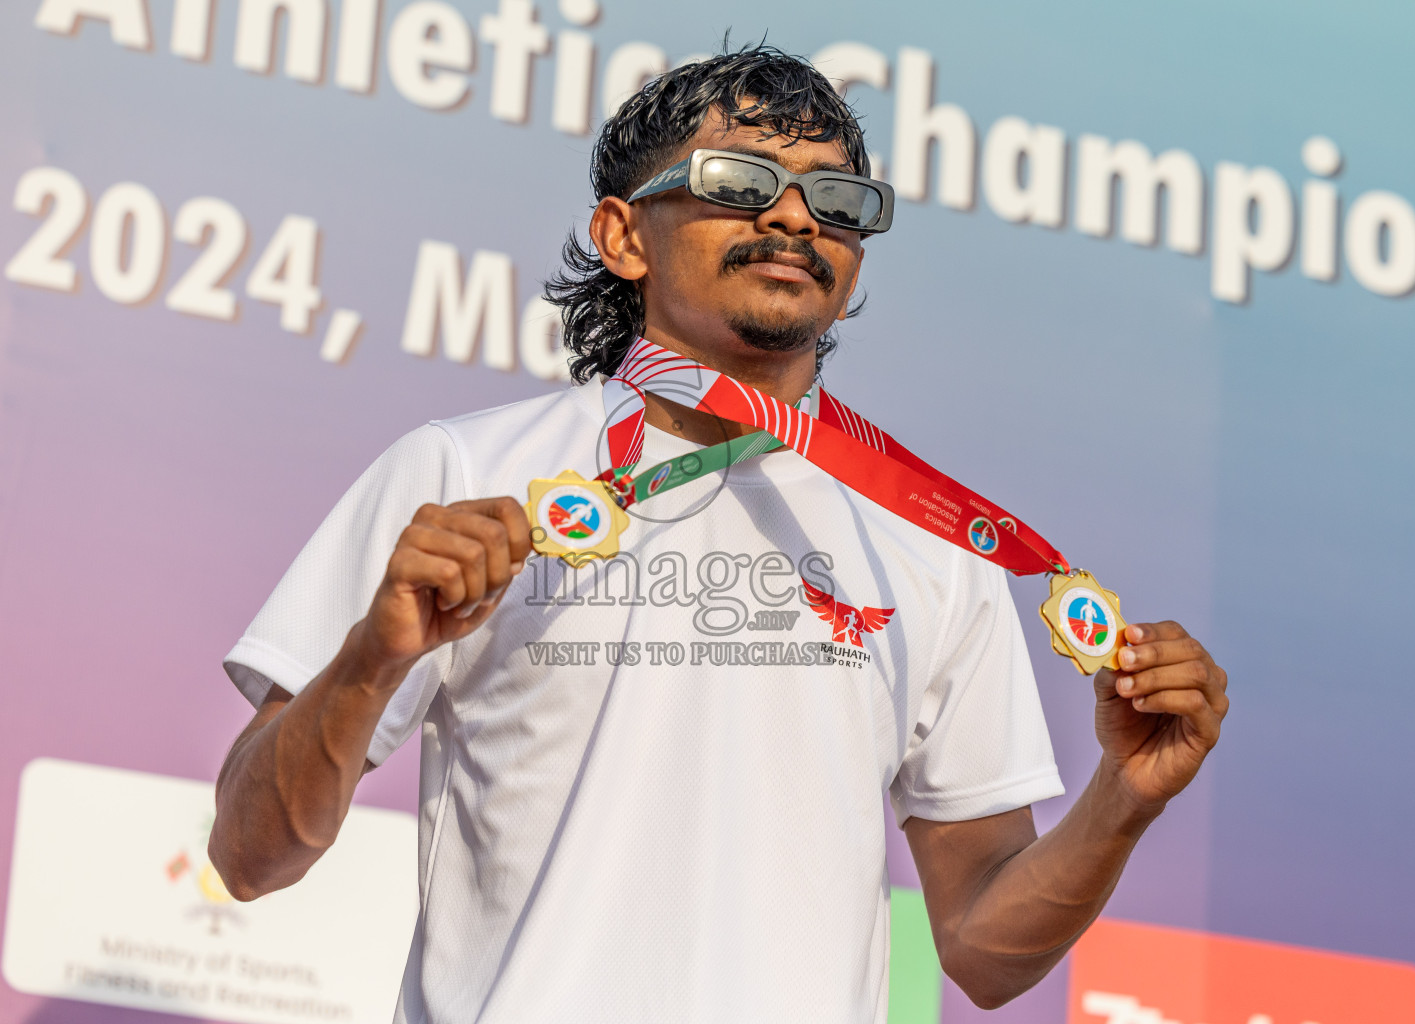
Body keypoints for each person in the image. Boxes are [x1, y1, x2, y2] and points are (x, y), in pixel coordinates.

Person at [209, 46, 1228, 1023]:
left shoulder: (932, 543)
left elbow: (983, 949)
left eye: (836, 200)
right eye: (738, 180)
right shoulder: (464, 474)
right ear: (623, 236)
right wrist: (369, 660)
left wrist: (1123, 800)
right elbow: (252, 856)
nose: (792, 214)